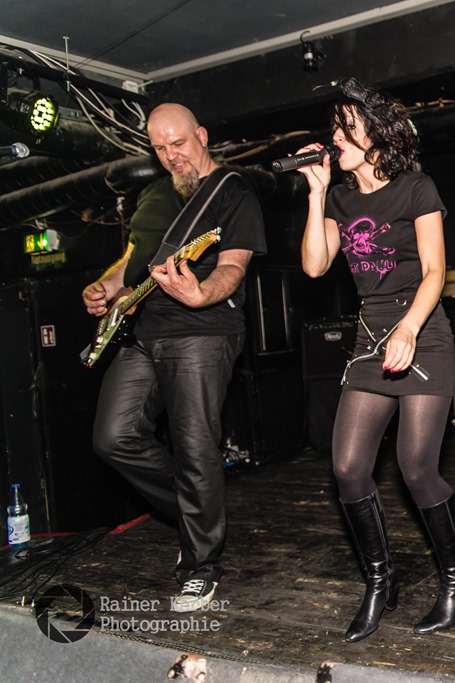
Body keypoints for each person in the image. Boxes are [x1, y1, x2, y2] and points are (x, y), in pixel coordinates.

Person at [292, 77, 455, 642]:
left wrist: (410, 328)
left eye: (346, 127)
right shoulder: (340, 198)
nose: (335, 138)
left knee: (417, 468)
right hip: (371, 332)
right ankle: (380, 582)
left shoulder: (417, 188)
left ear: (377, 134)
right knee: (348, 467)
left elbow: (436, 271)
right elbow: (315, 266)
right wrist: (317, 193)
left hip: (422, 330)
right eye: (334, 129)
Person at [83, 103, 266, 612]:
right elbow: (133, 259)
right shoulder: (154, 195)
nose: (170, 156)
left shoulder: (233, 191)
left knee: (194, 448)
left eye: (178, 144)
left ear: (201, 135)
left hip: (201, 333)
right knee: (113, 436)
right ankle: (197, 513)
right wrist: (107, 286)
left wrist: (200, 293)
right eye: (160, 148)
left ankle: (201, 566)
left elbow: (233, 266)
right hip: (143, 331)